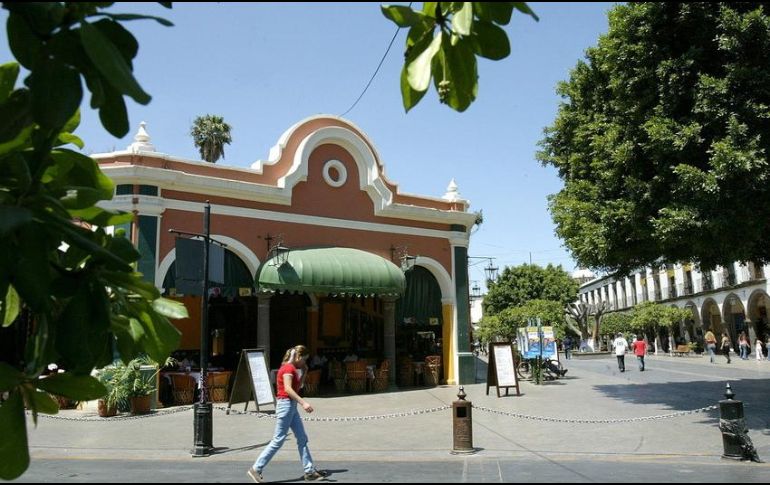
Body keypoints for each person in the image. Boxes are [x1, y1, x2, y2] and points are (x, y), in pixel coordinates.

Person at [248, 345, 327, 483]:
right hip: (286, 405)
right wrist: (304, 403)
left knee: (302, 437)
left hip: (290, 406)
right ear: (298, 357)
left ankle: (309, 471)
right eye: (304, 360)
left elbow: (298, 387)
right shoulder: (288, 369)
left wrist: (305, 371)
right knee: (278, 439)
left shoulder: (290, 368)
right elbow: (289, 389)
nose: (304, 362)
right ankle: (256, 468)